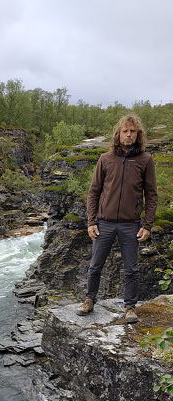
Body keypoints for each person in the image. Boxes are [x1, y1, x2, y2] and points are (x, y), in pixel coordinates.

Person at [76, 113, 157, 323]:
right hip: (104, 223)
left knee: (131, 268)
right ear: (118, 134)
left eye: (133, 131)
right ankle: (89, 300)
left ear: (138, 135)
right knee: (95, 265)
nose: (129, 135)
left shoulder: (145, 160)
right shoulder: (105, 159)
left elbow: (152, 194)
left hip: (131, 225)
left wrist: (147, 224)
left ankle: (130, 307)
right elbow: (94, 192)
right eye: (125, 131)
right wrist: (91, 221)